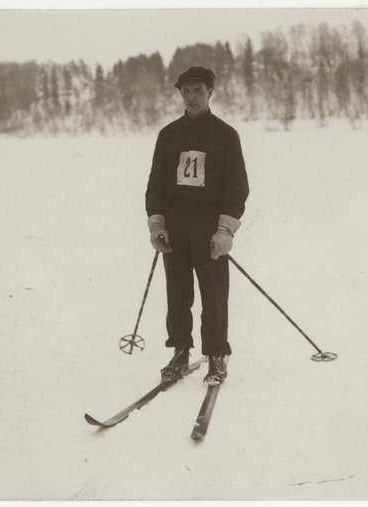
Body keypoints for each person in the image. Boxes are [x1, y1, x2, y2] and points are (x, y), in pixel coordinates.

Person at [145, 66, 249, 386]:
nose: (191, 97)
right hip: (175, 226)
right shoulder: (168, 135)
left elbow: (236, 187)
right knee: (177, 292)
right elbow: (156, 185)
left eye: (198, 91)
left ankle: (216, 354)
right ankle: (179, 351)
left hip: (209, 227)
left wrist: (225, 230)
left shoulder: (226, 135)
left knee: (213, 293)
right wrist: (157, 224)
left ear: (210, 93)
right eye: (186, 91)